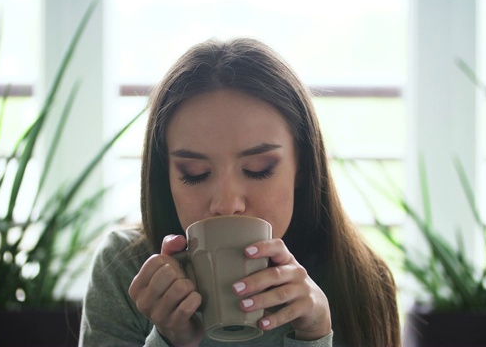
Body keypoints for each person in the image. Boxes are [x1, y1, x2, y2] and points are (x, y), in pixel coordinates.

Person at [79, 38, 400, 346]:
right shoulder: (125, 271)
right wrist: (166, 340)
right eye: (195, 174)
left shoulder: (360, 281)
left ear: (302, 165)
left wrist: (315, 335)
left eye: (258, 169)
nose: (227, 204)